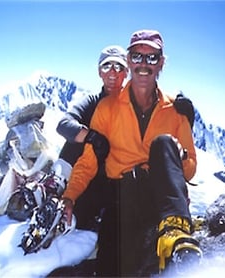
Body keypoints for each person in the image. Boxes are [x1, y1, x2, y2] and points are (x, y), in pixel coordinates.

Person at [62, 29, 202, 276]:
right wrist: (69, 197)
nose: (144, 64)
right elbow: (89, 161)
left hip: (159, 195)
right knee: (110, 268)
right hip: (121, 197)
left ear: (161, 63)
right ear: (129, 61)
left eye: (152, 57)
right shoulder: (107, 108)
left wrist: (178, 156)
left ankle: (176, 234)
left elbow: (190, 168)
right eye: (137, 56)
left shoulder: (176, 111)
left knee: (163, 143)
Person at [56, 45, 129, 229]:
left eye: (118, 67)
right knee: (74, 140)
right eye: (107, 66)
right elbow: (63, 125)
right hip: (91, 172)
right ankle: (56, 186)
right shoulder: (91, 103)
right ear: (99, 72)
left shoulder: (133, 105)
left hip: (121, 177)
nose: (112, 72)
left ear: (126, 72)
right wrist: (92, 137)